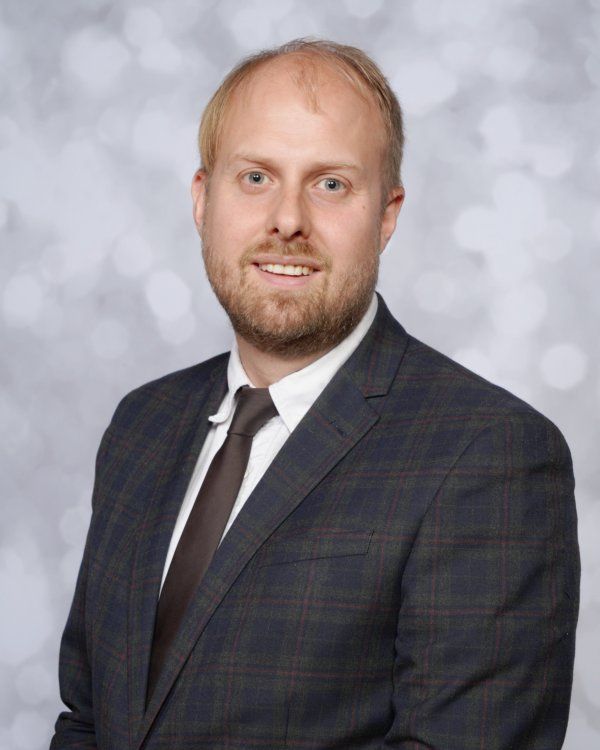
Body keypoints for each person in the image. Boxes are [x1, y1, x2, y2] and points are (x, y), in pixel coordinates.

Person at [51, 39, 579, 750]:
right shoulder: (142, 425)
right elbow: (89, 721)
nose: (288, 220)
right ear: (203, 199)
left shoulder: (491, 455)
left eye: (330, 183)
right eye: (255, 177)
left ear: (386, 214)